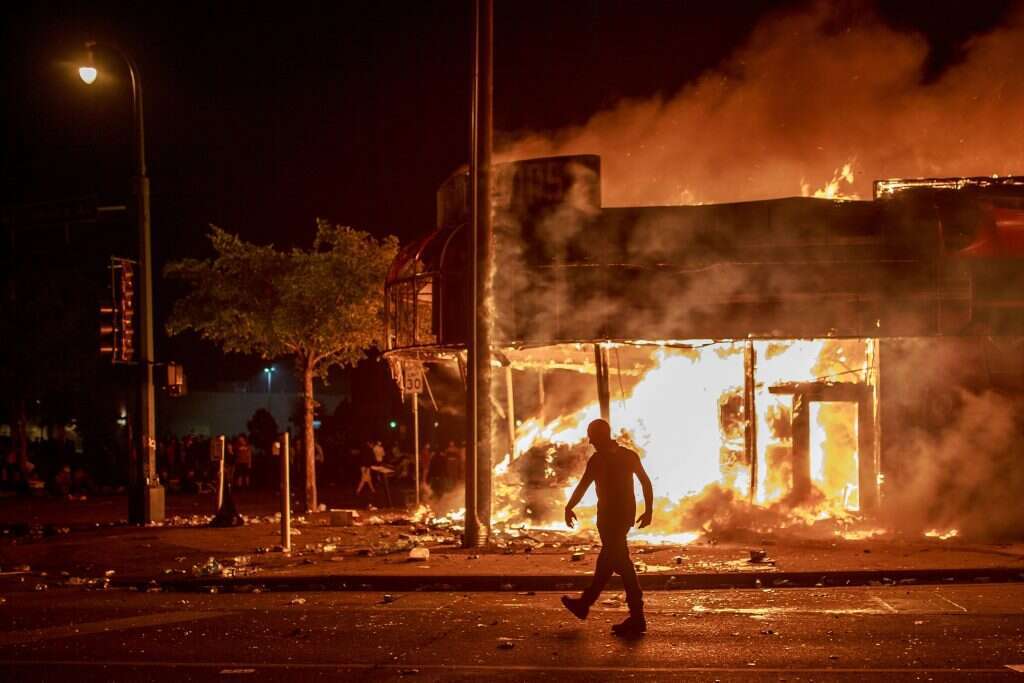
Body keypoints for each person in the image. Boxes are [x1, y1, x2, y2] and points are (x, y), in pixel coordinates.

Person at [561, 418, 654, 637]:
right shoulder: (623, 456)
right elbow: (645, 482)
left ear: (601, 436)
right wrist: (648, 510)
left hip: (611, 518)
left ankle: (637, 617)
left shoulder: (602, 459)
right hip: (620, 517)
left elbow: (584, 485)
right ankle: (585, 604)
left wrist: (569, 506)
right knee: (610, 562)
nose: (590, 441)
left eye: (592, 436)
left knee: (622, 564)